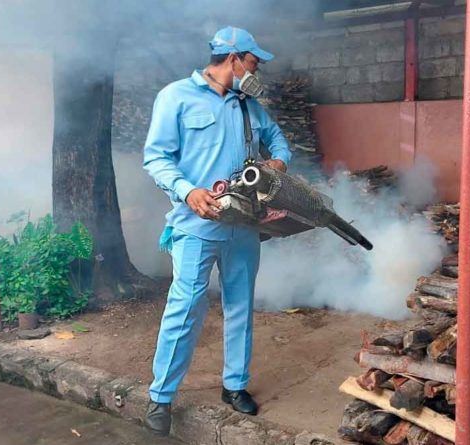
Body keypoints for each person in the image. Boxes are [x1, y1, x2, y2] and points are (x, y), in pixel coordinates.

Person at [142, 26, 291, 436]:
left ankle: (235, 385)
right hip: (196, 225)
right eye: (254, 62)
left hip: (243, 225)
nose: (256, 69)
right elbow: (156, 158)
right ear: (234, 59)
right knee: (185, 307)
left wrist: (277, 161)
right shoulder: (175, 96)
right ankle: (161, 397)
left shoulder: (248, 105)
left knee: (240, 305)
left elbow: (278, 140)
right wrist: (188, 192)